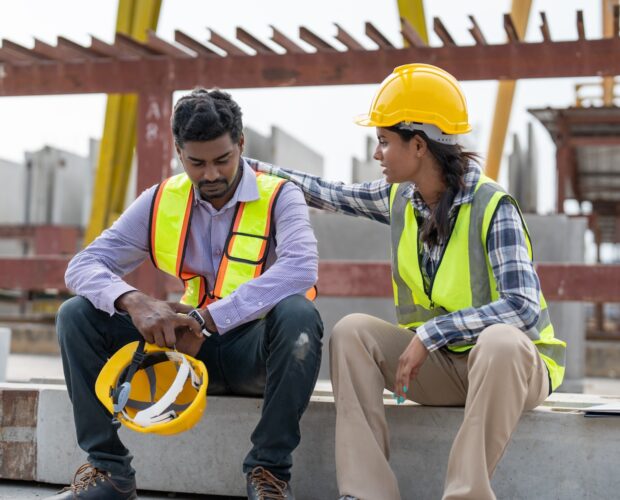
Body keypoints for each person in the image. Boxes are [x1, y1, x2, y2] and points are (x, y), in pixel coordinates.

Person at [247, 63, 566, 500]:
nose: (377, 153)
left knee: (501, 341)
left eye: (383, 141)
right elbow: (327, 191)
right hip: (444, 369)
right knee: (353, 332)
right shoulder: (398, 197)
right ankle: (366, 493)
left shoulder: (494, 206)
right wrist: (243, 165)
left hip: (510, 372)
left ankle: (465, 494)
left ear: (418, 145)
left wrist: (432, 333)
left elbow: (523, 308)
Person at [51, 88, 323, 500]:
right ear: (179, 152)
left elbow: (301, 268)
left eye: (223, 160)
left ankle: (268, 474)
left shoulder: (280, 196)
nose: (211, 174)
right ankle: (109, 472)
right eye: (197, 163)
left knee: (299, 316)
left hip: (252, 352)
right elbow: (82, 266)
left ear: (241, 145)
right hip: (181, 352)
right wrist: (134, 300)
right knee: (76, 314)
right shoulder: (160, 200)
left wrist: (208, 319)